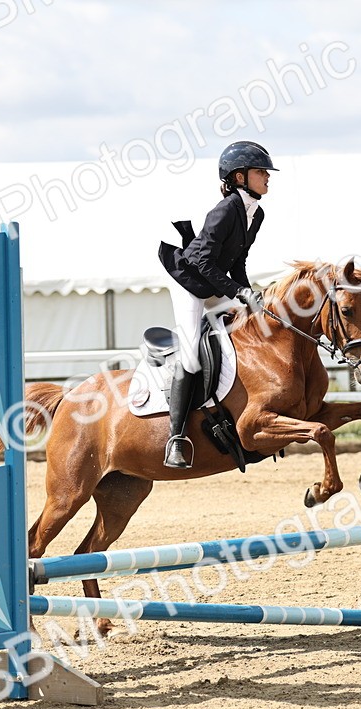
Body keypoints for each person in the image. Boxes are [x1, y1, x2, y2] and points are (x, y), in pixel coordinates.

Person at [156, 140, 275, 469]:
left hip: (213, 278)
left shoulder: (256, 213)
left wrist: (249, 294)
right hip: (188, 280)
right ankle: (175, 438)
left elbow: (238, 261)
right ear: (239, 177)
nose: (267, 177)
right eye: (260, 171)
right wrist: (238, 292)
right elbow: (203, 263)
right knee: (192, 352)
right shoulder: (224, 211)